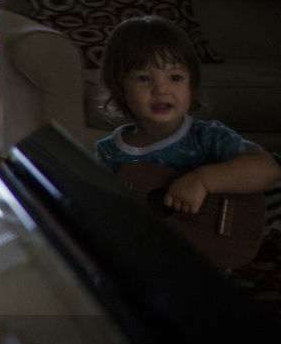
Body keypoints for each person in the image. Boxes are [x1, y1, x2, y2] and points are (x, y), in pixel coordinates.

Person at [94, 15, 281, 214]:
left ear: (192, 84)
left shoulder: (207, 136)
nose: (161, 90)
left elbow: (267, 169)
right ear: (119, 86)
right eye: (144, 78)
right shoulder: (110, 152)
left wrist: (203, 180)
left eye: (175, 77)